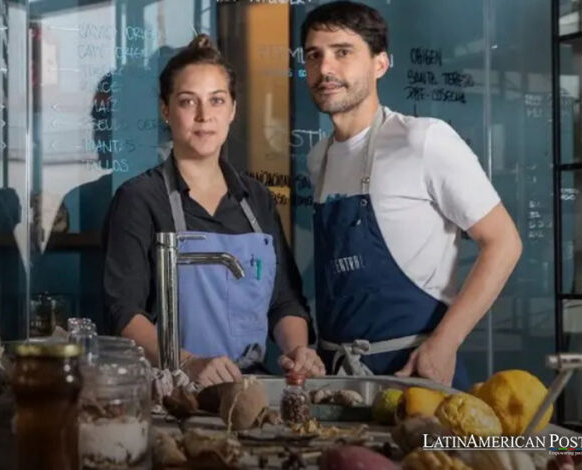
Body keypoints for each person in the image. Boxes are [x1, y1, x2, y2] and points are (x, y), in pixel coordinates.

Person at [302, 1, 522, 388]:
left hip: (415, 372)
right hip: (335, 379)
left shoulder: (422, 139)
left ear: (380, 64)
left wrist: (445, 343)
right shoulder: (319, 158)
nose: (326, 69)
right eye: (314, 55)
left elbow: (504, 243)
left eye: (342, 52)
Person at [103, 35, 325, 386]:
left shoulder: (257, 199)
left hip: (252, 388)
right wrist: (189, 363)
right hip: (174, 391)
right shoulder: (140, 199)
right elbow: (125, 313)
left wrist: (298, 350)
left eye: (217, 101)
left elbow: (285, 301)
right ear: (166, 110)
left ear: (233, 109)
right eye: (188, 102)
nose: (204, 116)